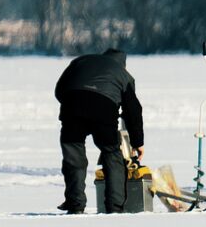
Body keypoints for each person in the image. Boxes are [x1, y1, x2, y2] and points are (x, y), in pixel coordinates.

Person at [54, 48, 144, 214]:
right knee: (112, 155)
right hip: (103, 109)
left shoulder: (80, 61)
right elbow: (133, 110)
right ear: (123, 64)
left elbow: (59, 89)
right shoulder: (123, 75)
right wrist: (138, 142)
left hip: (72, 106)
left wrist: (73, 103)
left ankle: (75, 205)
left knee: (74, 157)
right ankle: (115, 207)